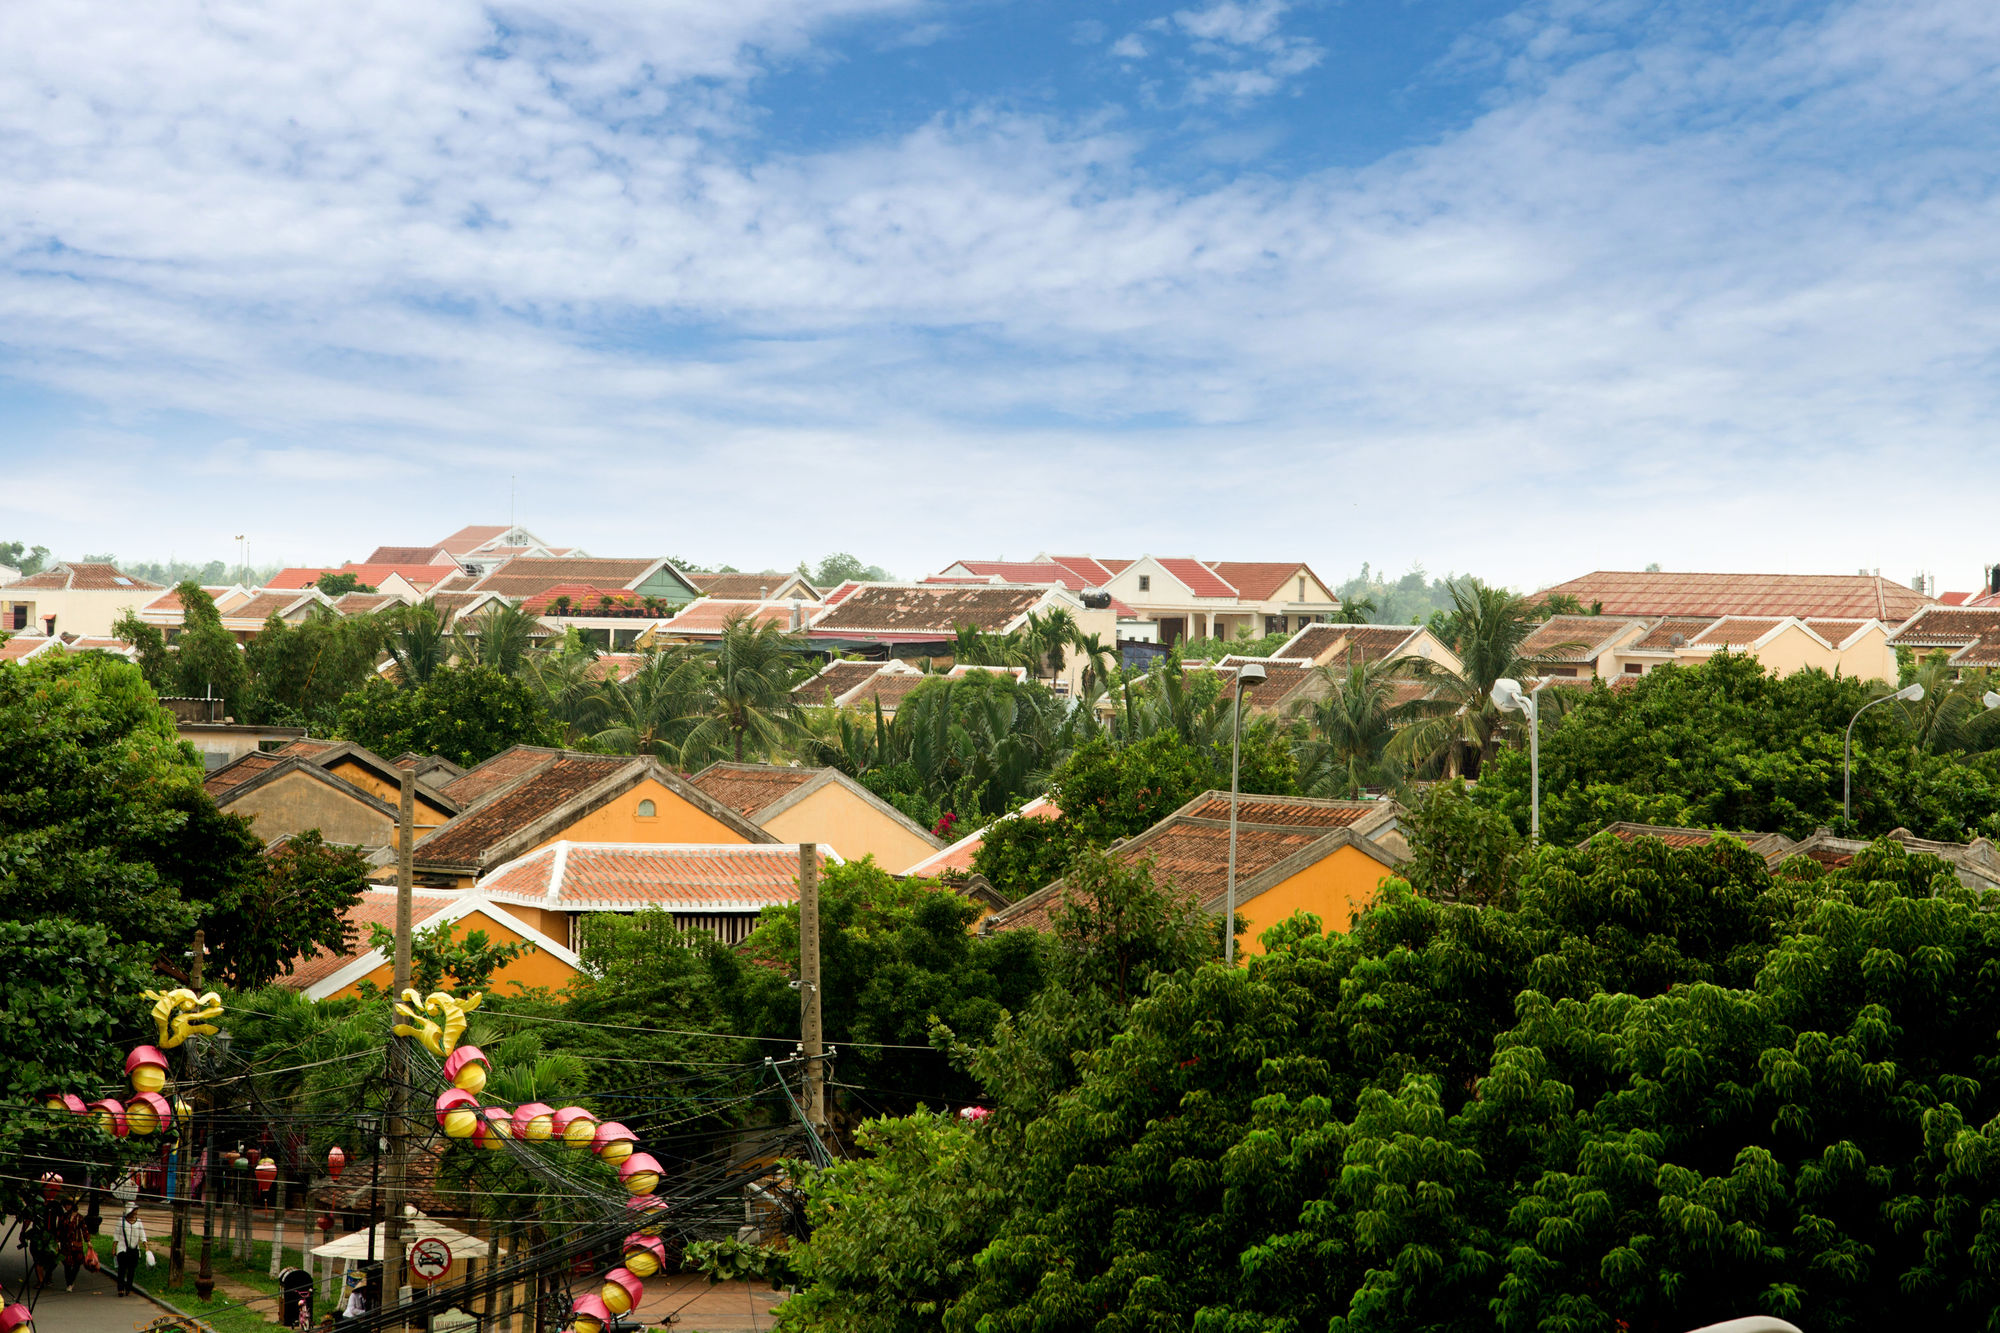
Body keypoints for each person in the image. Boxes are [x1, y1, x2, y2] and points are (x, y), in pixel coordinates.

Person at [112, 1204, 147, 1297]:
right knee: (122, 1270)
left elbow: (142, 1235)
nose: (136, 1212)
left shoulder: (139, 1222)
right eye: (134, 1210)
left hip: (134, 1250)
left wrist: (146, 1247)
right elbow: (116, 1235)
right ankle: (120, 1289)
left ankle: (128, 1287)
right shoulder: (121, 1222)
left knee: (131, 1271)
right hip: (122, 1249)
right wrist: (114, 1248)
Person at [56, 1201, 88, 1292]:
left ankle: (72, 1279)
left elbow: (84, 1229)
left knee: (77, 1263)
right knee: (67, 1264)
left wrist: (88, 1241)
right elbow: (59, 1229)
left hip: (77, 1243)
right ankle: (69, 1283)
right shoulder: (63, 1217)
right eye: (65, 1205)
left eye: (68, 1205)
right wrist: (57, 1241)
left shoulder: (79, 1217)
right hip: (66, 1243)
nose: (67, 1207)